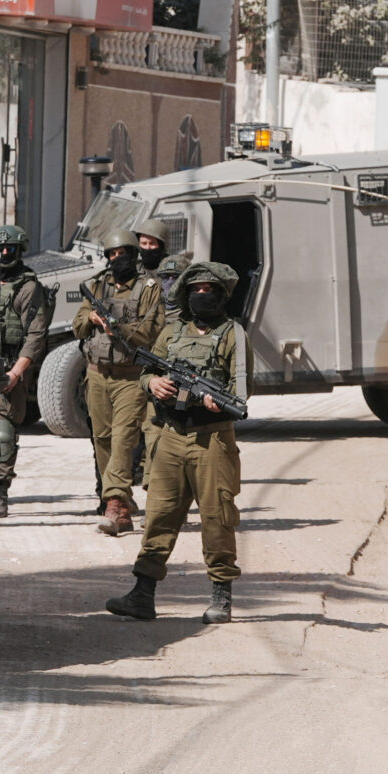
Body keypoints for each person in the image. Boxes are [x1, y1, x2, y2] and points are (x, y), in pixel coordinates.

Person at [106, 261, 251, 624]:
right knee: (159, 516)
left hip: (213, 440)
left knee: (217, 518)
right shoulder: (171, 333)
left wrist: (216, 401)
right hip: (170, 437)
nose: (203, 296)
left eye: (210, 290)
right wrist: (152, 385)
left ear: (222, 295)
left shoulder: (233, 333)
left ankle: (221, 596)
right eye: (196, 290)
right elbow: (148, 373)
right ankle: (142, 595)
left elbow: (243, 390)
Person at [73, 229, 164, 535]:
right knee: (101, 438)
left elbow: (152, 330)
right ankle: (120, 501)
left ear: (133, 254)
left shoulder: (150, 287)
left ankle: (114, 504)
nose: (116, 260)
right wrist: (93, 320)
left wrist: (119, 329)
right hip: (97, 374)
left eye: (121, 253)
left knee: (124, 438)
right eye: (111, 255)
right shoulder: (97, 286)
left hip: (130, 377)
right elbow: (77, 325)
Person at [0, 224, 50, 518]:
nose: (3, 253)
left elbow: (36, 335)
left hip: (8, 366)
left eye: (9, 249)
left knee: (4, 433)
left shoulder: (28, 287)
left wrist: (16, 372)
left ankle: (0, 492)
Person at [139, 252, 190, 492]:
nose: (169, 283)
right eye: (165, 277)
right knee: (154, 440)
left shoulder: (195, 314)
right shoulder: (151, 310)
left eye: (175, 277)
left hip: (189, 394)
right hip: (157, 389)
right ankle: (154, 498)